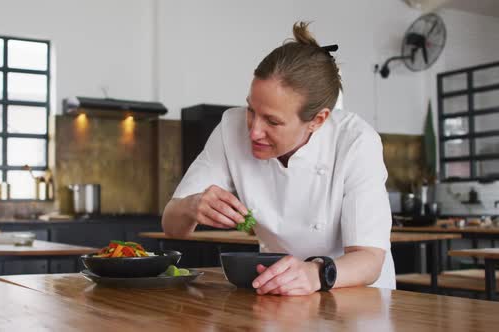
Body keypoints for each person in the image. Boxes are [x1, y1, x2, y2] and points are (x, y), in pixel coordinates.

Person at [162, 22, 394, 295]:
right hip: (276, 290)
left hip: (353, 296)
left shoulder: (356, 142)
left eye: (272, 121)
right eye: (251, 109)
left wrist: (315, 273)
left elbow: (369, 259)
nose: (254, 130)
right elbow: (172, 226)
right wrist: (192, 206)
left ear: (317, 120)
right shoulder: (230, 129)